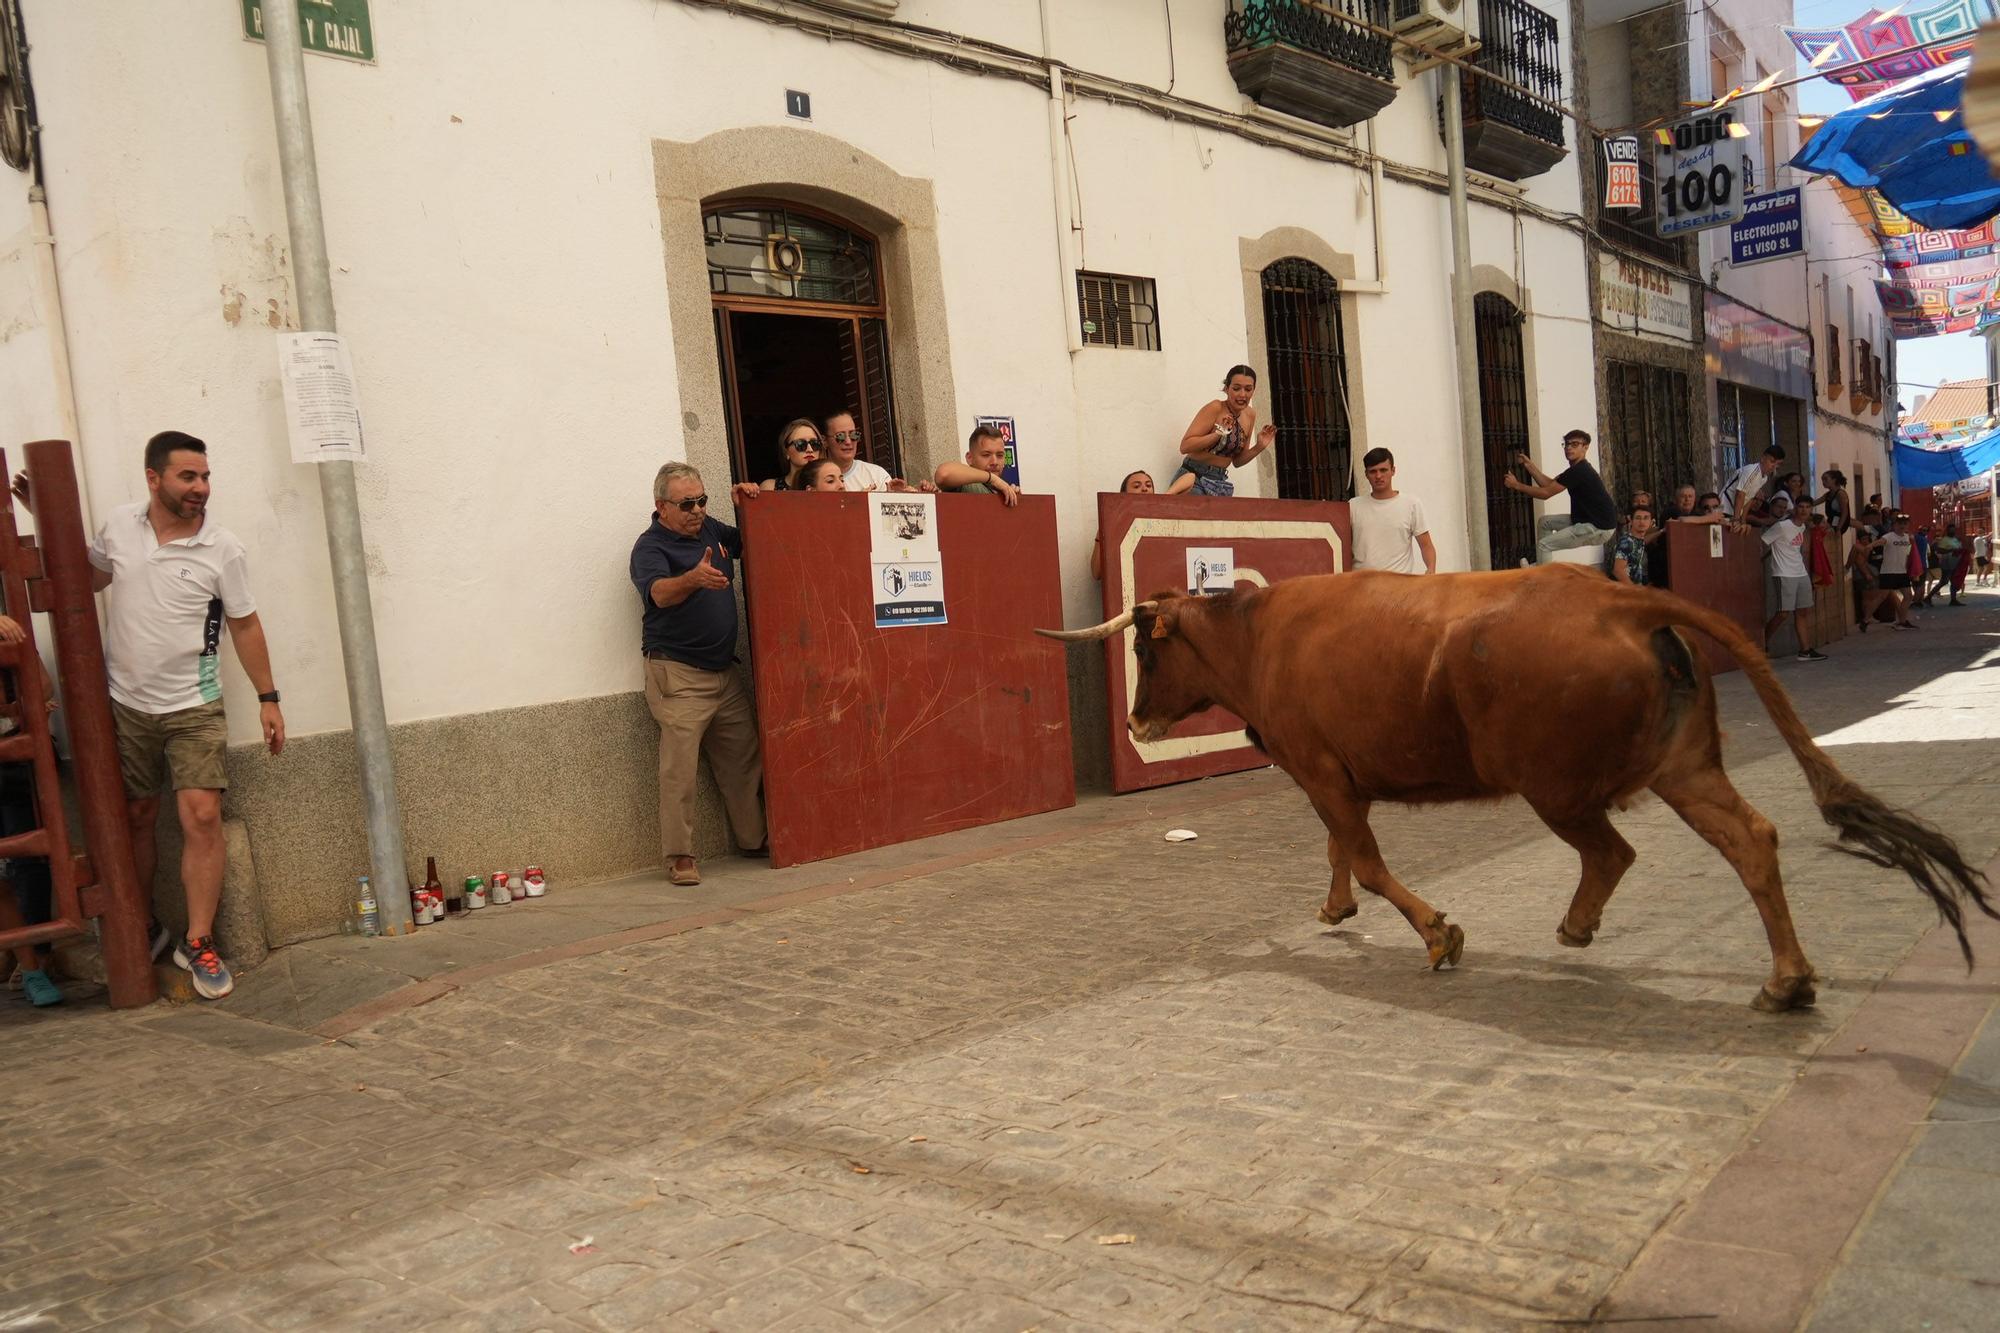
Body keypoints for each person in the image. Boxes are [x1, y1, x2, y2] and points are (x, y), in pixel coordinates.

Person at [10, 432, 284, 1001]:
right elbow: (90, 580)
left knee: (202, 816)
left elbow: (245, 623)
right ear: (153, 478)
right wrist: (52, 525)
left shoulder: (221, 548)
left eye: (206, 477)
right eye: (189, 477)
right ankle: (142, 925)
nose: (201, 489)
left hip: (195, 704)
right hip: (126, 702)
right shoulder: (120, 526)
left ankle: (200, 940)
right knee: (133, 816)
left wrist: (268, 698)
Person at [629, 462, 768, 888]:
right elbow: (658, 594)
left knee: (744, 760)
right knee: (680, 770)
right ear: (661, 506)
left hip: (723, 672)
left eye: (702, 500)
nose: (697, 510)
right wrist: (691, 578)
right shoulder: (650, 547)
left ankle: (754, 839)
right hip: (678, 674)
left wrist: (748, 504)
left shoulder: (710, 529)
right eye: (687, 503)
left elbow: (752, 541)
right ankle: (680, 856)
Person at [0, 613, 59, 1007]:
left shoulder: (8, 626)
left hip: (13, 757)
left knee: (28, 859)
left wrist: (25, 708)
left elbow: (41, 687)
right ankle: (29, 963)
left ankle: (34, 963)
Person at [1504, 429, 1620, 565]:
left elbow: (1545, 494)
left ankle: (1541, 576)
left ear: (1586, 447)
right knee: (1545, 523)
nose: (1569, 448)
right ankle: (1543, 564)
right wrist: (1528, 465)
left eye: (1575, 444)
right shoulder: (1575, 470)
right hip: (1588, 520)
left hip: (1598, 527)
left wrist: (1516, 485)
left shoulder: (1580, 471)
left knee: (1544, 545)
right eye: (1567, 444)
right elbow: (1548, 485)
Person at [1167, 365, 1275, 497]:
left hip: (1220, 483)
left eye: (1248, 389)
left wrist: (1260, 446)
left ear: (1253, 390)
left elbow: (1237, 461)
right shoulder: (1215, 408)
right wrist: (1218, 434)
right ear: (1226, 388)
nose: (1242, 394)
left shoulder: (1250, 415)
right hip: (1194, 477)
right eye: (1236, 388)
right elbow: (1185, 446)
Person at [1759, 494, 1826, 662]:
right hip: (1783, 573)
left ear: (1811, 510)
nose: (1804, 510)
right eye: (1801, 506)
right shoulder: (1782, 526)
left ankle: (1805, 650)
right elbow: (1764, 542)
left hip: (1800, 573)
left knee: (1802, 612)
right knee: (1783, 613)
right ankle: (1761, 644)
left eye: (1807, 507)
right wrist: (1764, 559)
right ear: (1795, 508)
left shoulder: (1802, 527)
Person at [1349, 448, 1436, 574]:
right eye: (1373, 471)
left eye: (1383, 470)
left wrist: (1431, 570)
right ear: (1366, 474)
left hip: (1398, 586)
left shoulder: (1411, 505)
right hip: (1362, 586)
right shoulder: (1353, 506)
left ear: (1393, 471)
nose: (1378, 476)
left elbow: (1426, 545)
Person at [823, 410, 928, 494]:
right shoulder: (817, 477)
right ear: (825, 441)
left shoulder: (876, 475)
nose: (848, 441)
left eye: (853, 435)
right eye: (840, 436)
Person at [933, 424, 1022, 507]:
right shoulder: (967, 484)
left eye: (1000, 455)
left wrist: (1012, 497)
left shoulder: (1002, 489)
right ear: (969, 458)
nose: (994, 462)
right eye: (986, 455)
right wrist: (992, 479)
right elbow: (943, 474)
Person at [1091, 470, 1155, 581]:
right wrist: (1104, 529)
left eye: (1149, 485)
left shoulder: (1162, 518)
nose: (1145, 489)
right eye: (1136, 486)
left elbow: (1190, 478)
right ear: (1124, 494)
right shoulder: (1113, 523)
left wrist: (1164, 499)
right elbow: (1097, 573)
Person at [1875, 512, 1919, 631]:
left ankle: (1902, 621)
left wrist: (1914, 571)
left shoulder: (1909, 538)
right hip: (1888, 571)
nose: (1902, 526)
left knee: (1908, 596)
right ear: (1894, 525)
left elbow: (1913, 555)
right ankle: (1866, 619)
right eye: (1900, 524)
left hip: (1901, 571)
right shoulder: (1889, 536)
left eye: (1905, 524)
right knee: (1881, 597)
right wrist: (1869, 546)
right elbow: (1880, 542)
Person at [1722, 443, 1784, 520]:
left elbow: (1750, 498)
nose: (1774, 466)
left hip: (1733, 512)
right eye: (1772, 461)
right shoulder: (1751, 471)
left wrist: (1743, 520)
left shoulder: (1764, 478)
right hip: (1724, 509)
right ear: (1762, 458)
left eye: (1778, 464)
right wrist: (1736, 519)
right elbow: (1740, 494)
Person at [760, 419, 824, 491]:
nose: (810, 449)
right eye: (801, 444)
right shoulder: (770, 487)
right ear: (786, 451)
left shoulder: (830, 486)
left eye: (814, 443)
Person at [1610, 504, 1657, 586]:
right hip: (1624, 592)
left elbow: (1644, 540)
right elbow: (1618, 570)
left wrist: (1662, 531)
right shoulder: (1626, 541)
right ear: (1631, 521)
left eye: (1646, 518)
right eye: (1638, 518)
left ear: (1651, 522)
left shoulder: (1638, 540)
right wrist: (1634, 591)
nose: (1642, 522)